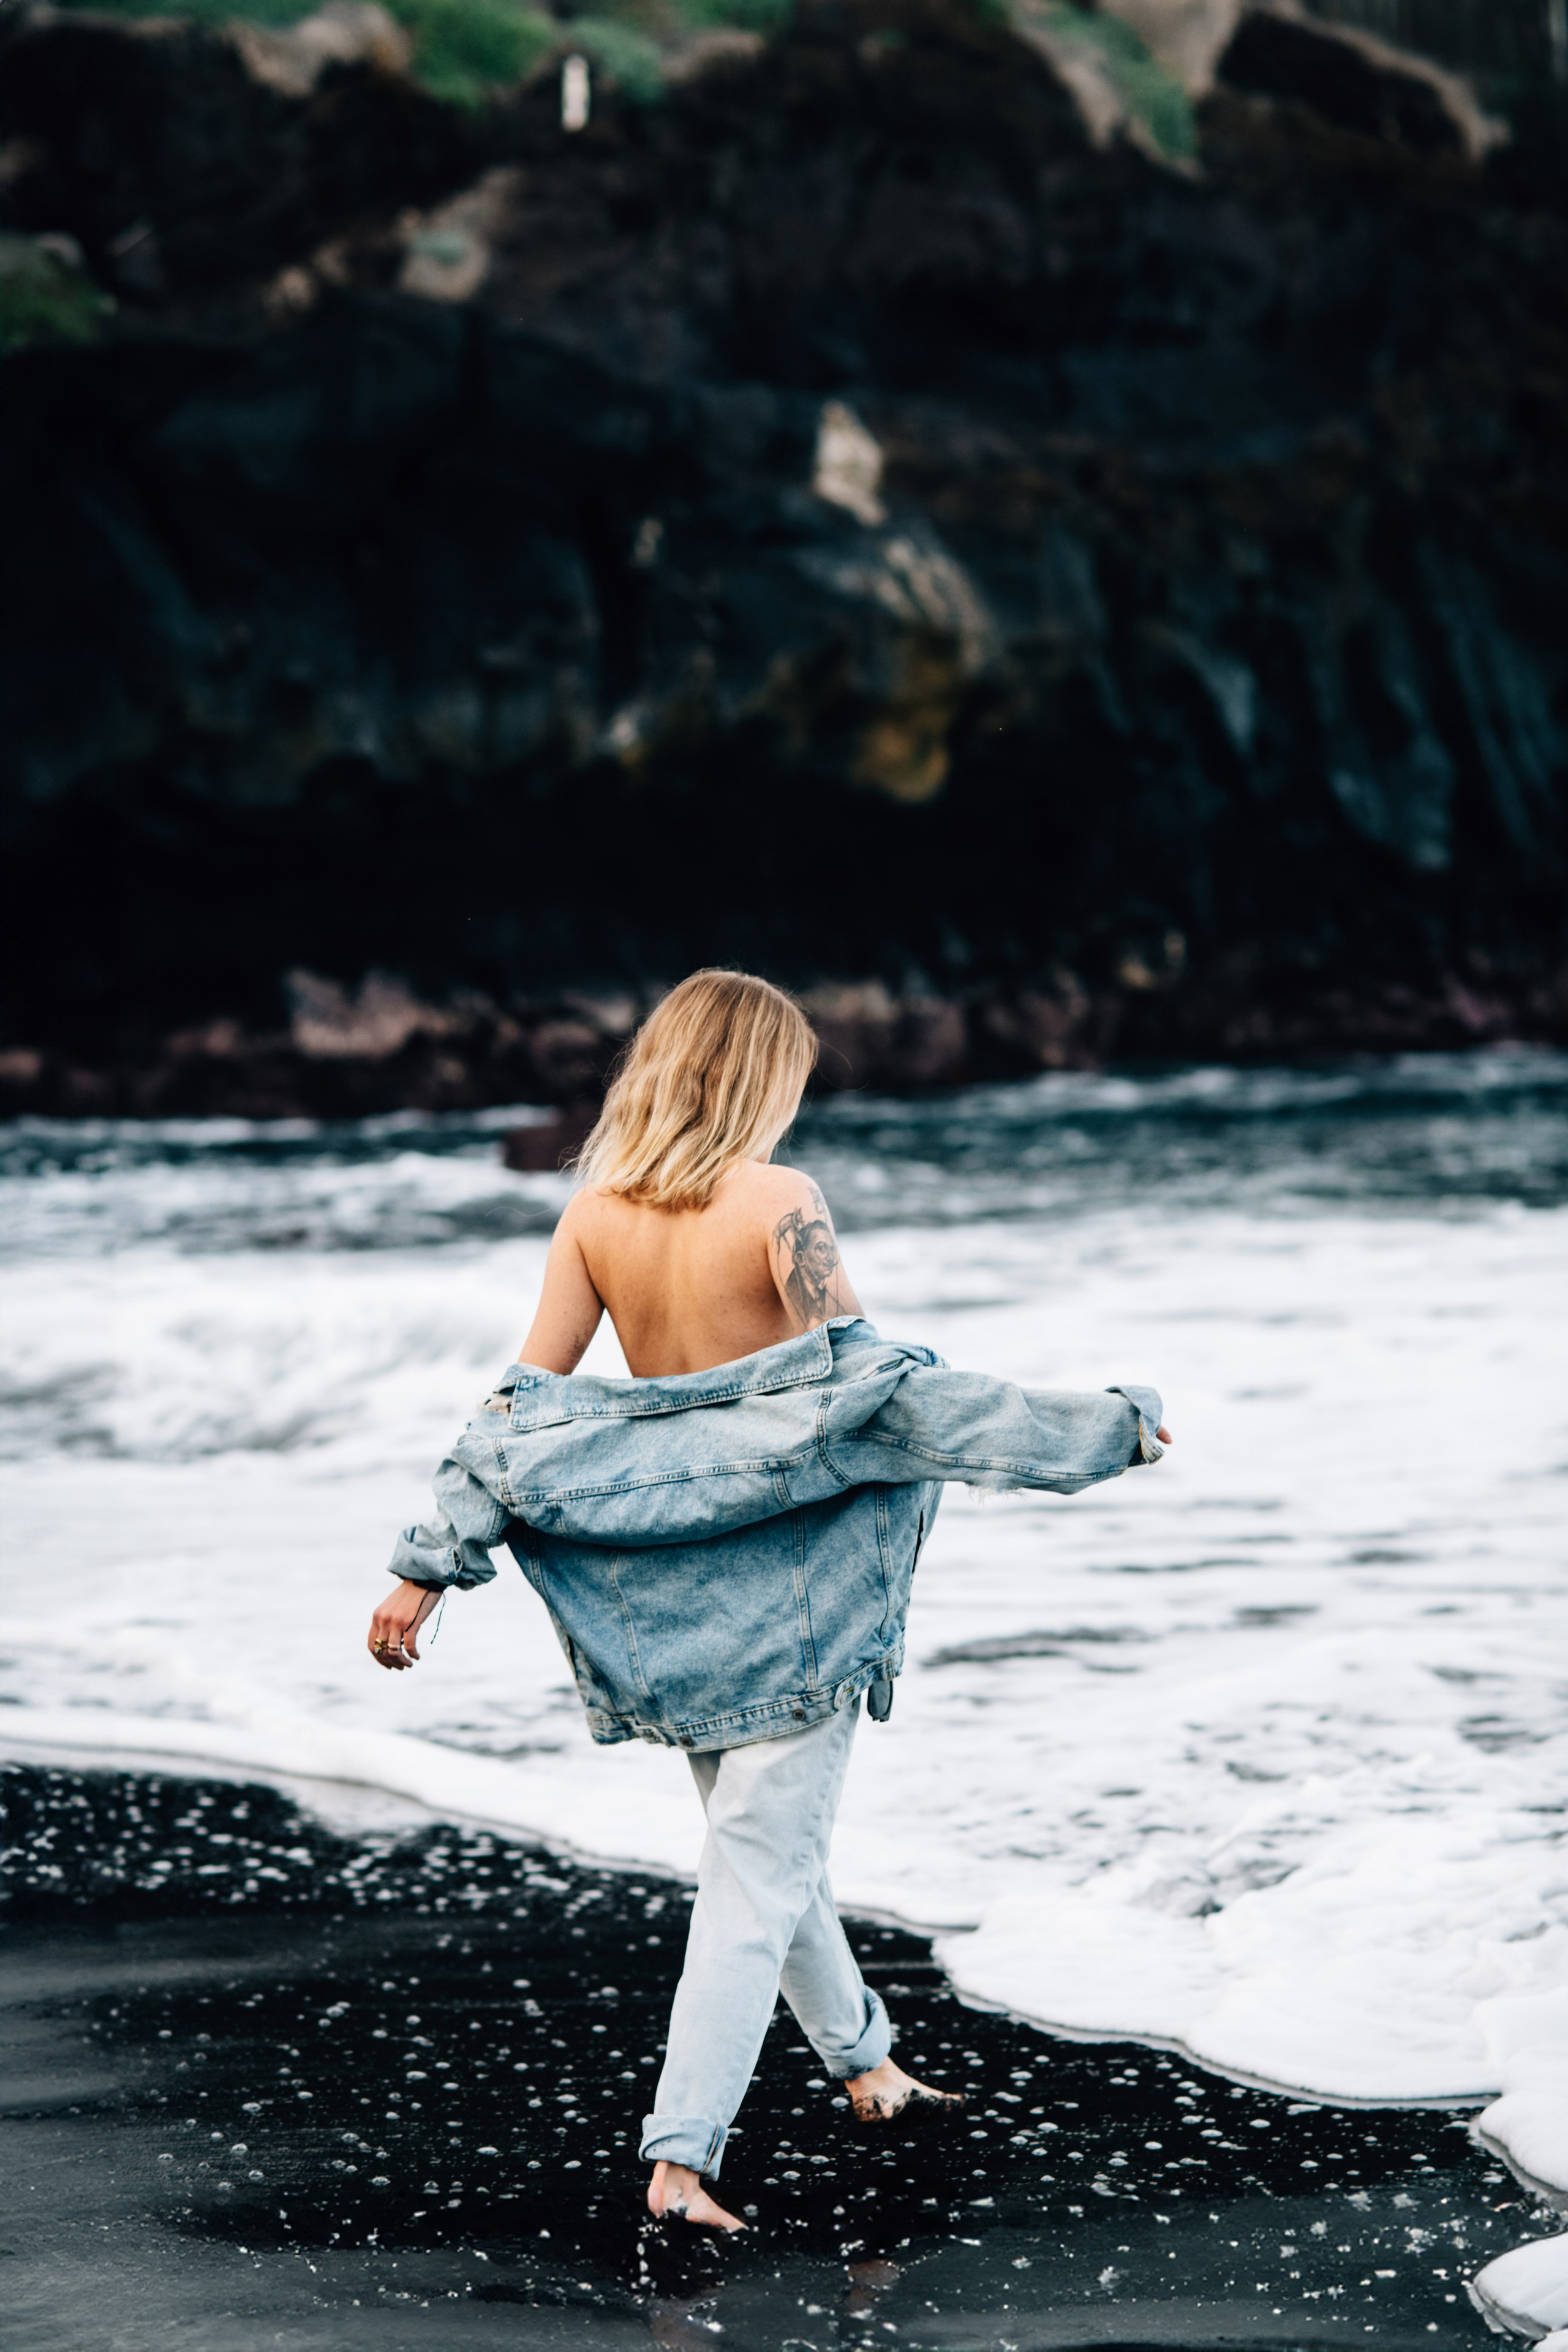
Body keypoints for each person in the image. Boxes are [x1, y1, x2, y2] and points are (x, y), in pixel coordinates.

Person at [368, 970, 1171, 2235]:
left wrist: (427, 1565)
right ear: (756, 1078)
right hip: (799, 1608)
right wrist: (1103, 1432)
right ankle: (680, 2163)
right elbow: (873, 1394)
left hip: (663, 1618)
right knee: (754, 1875)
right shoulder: (780, 1202)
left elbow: (520, 1417)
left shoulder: (593, 1218)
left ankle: (869, 2069)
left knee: (768, 1857)